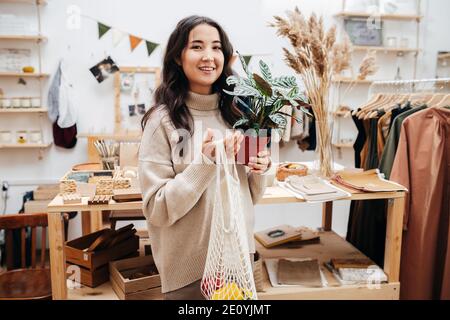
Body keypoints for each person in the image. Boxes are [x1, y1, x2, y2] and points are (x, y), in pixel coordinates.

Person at [139, 15, 273, 300]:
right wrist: (205, 164)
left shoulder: (239, 113)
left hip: (238, 260)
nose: (208, 56)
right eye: (197, 47)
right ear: (178, 56)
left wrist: (261, 168)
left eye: (216, 47)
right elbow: (157, 209)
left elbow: (251, 194)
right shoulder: (162, 121)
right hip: (189, 271)